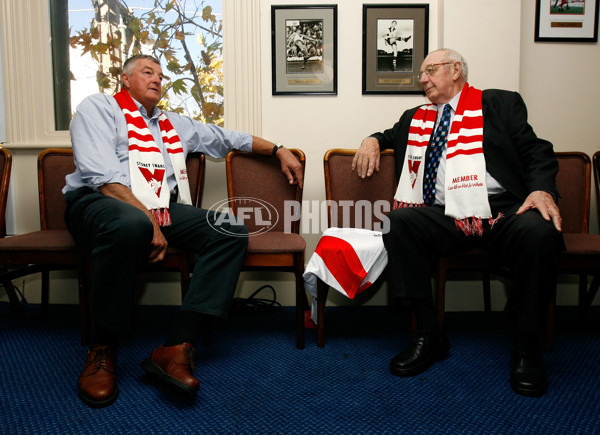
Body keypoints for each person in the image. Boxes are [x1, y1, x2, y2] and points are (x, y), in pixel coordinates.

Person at [64, 54, 303, 408]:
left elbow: (227, 138)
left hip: (159, 208)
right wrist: (146, 220)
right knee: (129, 224)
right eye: (148, 72)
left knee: (228, 228)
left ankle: (176, 347)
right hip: (97, 204)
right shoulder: (98, 108)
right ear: (125, 78)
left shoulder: (172, 124)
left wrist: (279, 150)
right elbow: (102, 177)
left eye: (161, 75)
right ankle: (103, 347)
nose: (157, 79)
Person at [352, 48, 564, 397]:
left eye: (430, 70)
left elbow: (537, 151)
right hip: (444, 214)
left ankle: (527, 344)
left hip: (500, 209)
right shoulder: (415, 117)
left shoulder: (498, 104)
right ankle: (428, 333)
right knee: (399, 222)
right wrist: (371, 140)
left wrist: (541, 190)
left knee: (538, 230)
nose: (423, 78)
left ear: (456, 70)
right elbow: (388, 135)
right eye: (420, 74)